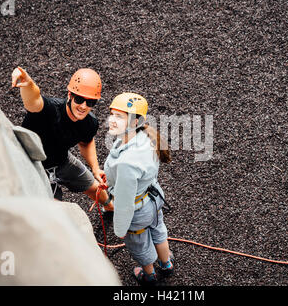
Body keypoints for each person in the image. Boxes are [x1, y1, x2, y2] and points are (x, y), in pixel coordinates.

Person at [11, 66, 113, 211]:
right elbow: (33, 101)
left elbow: (86, 142)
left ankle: (110, 208)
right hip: (33, 165)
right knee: (55, 211)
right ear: (70, 95)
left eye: (90, 102)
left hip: (61, 161)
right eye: (79, 99)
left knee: (95, 188)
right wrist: (28, 85)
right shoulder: (50, 110)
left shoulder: (90, 123)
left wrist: (96, 169)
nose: (83, 106)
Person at [103, 92, 174, 285]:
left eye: (119, 116)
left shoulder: (127, 162)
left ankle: (149, 275)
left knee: (140, 244)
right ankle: (166, 263)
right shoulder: (146, 138)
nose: (112, 120)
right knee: (158, 230)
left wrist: (120, 228)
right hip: (153, 198)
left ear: (135, 122)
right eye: (112, 114)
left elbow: (125, 203)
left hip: (137, 210)